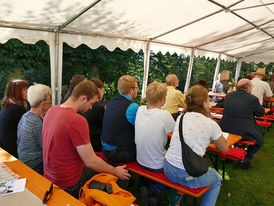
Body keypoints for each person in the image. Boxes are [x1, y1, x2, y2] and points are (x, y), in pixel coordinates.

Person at [42, 80, 130, 198]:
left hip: (50, 176)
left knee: (103, 166)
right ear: (83, 98)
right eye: (91, 103)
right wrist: (115, 171)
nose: (91, 107)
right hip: (69, 183)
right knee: (121, 177)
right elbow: (91, 161)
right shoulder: (77, 120)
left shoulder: (52, 110)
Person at [164, 85, 228, 206]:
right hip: (188, 173)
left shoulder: (181, 117)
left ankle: (175, 202)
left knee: (186, 174)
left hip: (169, 169)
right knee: (216, 179)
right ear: (204, 102)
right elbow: (224, 148)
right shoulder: (210, 124)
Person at [135, 82, 175, 205]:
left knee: (151, 152)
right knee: (177, 171)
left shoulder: (140, 109)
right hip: (157, 165)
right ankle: (155, 190)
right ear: (163, 100)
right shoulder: (164, 115)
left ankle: (143, 186)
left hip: (140, 160)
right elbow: (175, 133)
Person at [220, 79, 265, 169]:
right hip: (243, 130)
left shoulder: (229, 96)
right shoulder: (252, 98)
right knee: (259, 140)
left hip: (224, 128)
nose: (251, 88)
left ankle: (229, 154)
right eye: (251, 86)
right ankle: (246, 159)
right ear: (247, 88)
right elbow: (261, 113)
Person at [101, 75, 139, 163]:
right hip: (121, 154)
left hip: (105, 149)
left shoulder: (112, 101)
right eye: (137, 87)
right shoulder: (133, 107)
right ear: (131, 90)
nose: (137, 89)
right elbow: (141, 130)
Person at [17, 84, 52, 174]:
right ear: (42, 103)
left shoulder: (26, 116)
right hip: (34, 166)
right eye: (49, 98)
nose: (51, 101)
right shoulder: (36, 122)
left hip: (23, 160)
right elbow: (47, 149)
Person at [0, 80, 28, 157]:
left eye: (27, 88)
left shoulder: (6, 107)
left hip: (4, 151)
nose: (27, 91)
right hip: (12, 154)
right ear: (16, 92)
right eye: (23, 89)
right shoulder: (17, 109)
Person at [83, 78, 105, 152]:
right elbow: (104, 126)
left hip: (86, 140)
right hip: (96, 143)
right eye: (103, 90)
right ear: (98, 89)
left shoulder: (84, 103)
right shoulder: (99, 107)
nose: (103, 93)